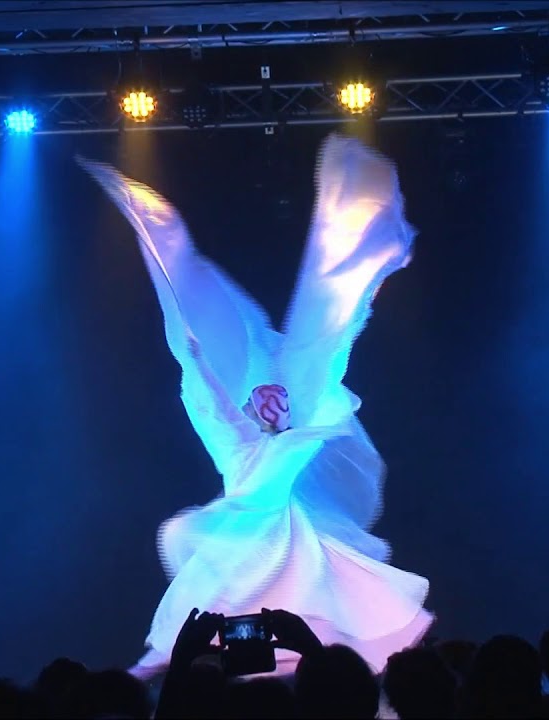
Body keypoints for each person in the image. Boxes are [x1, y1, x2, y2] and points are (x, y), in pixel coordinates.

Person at [77, 133, 433, 678]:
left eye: (276, 403)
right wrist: (195, 354)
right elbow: (214, 399)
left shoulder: (292, 440)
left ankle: (320, 675)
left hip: (278, 531)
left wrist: (360, 299)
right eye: (266, 402)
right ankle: (162, 674)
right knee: (225, 590)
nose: (272, 407)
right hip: (249, 532)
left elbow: (330, 354)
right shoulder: (238, 437)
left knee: (306, 591)